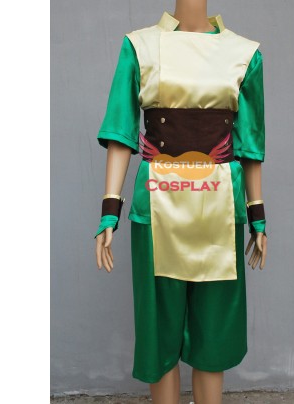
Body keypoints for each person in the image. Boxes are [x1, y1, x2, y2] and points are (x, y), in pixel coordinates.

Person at [94, 1, 268, 403]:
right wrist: (109, 212)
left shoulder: (244, 53)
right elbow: (121, 131)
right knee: (159, 330)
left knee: (213, 333)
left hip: (220, 208)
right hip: (158, 209)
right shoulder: (139, 46)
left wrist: (257, 217)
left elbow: (250, 144)